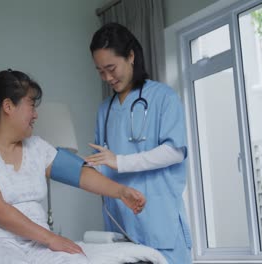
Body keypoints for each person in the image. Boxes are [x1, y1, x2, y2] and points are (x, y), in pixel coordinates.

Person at [0, 67, 146, 264]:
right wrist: (51, 238)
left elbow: (80, 174)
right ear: (8, 106)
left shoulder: (37, 147)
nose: (36, 115)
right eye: (31, 105)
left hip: (36, 244)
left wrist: (121, 191)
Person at [85, 22, 192, 264]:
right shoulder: (106, 109)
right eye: (100, 71)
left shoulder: (164, 97)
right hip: (120, 225)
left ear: (131, 56)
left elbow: (174, 151)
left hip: (159, 223)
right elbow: (103, 163)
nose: (107, 78)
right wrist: (85, 167)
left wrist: (120, 161)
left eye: (111, 68)